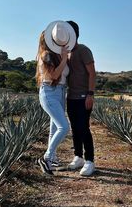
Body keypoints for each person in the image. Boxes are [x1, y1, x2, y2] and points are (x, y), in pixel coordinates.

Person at [36, 20, 76, 175]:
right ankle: (46, 157)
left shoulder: (57, 55)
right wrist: (65, 59)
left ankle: (52, 158)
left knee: (54, 128)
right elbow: (53, 75)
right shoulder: (46, 55)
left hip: (60, 92)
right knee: (64, 127)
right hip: (49, 92)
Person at [66, 20, 96, 176]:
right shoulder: (66, 53)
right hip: (70, 96)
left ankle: (90, 161)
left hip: (84, 96)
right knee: (74, 128)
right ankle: (78, 156)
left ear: (74, 34)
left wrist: (90, 94)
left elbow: (92, 72)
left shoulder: (83, 50)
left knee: (84, 128)